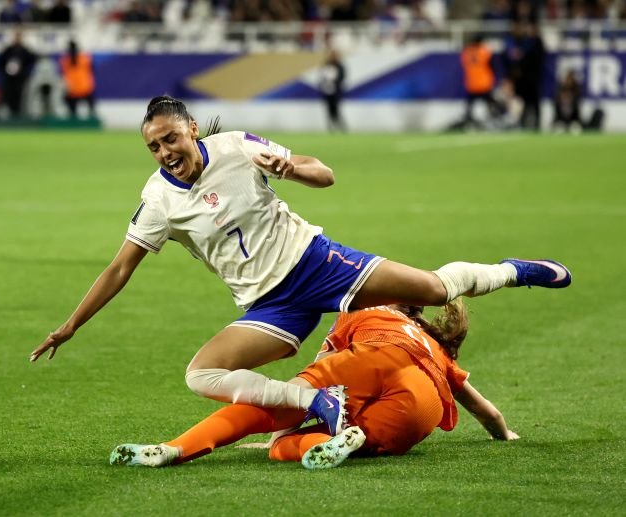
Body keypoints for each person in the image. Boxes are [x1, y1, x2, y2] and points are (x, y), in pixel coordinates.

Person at [29, 95, 571, 435]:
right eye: (153, 146)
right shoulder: (158, 202)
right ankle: (318, 401)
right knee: (201, 374)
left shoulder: (237, 147)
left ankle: (515, 270)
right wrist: (72, 324)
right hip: (269, 305)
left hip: (316, 262)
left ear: (191, 128)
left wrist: (288, 167)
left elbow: (323, 173)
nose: (165, 151)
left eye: (170, 137)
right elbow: (120, 268)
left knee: (431, 290)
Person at [109, 300, 520, 470]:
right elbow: (487, 412)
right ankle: (352, 439)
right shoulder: (437, 349)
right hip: (421, 404)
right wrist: (505, 435)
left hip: (371, 359)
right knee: (344, 437)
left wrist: (279, 429)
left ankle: (173, 449)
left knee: (268, 422)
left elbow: (315, 382)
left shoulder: (361, 312)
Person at [0, 30, 37, 119]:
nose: (18, 39)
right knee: (7, 94)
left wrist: (23, 71)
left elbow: (32, 60)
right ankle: (7, 112)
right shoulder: (8, 50)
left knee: (20, 95)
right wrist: (5, 71)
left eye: (19, 37)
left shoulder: (25, 50)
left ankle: (19, 113)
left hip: (20, 78)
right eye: (16, 36)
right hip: (9, 78)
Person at [460, 34, 499, 129]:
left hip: (472, 83)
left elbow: (464, 65)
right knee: (490, 103)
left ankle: (467, 121)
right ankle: (496, 119)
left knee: (470, 106)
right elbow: (492, 66)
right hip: (483, 83)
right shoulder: (484, 52)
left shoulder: (466, 52)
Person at [59, 40, 96, 120]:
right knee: (90, 104)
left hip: (73, 89)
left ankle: (74, 120)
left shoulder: (65, 60)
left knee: (72, 108)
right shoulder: (84, 58)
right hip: (84, 88)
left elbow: (63, 74)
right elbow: (91, 71)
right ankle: (91, 119)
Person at [319, 50, 346, 132]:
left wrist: (335, 82)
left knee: (336, 109)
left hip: (336, 90)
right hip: (327, 90)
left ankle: (340, 126)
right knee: (329, 109)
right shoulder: (327, 65)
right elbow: (322, 76)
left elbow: (342, 77)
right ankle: (331, 127)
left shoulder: (339, 65)